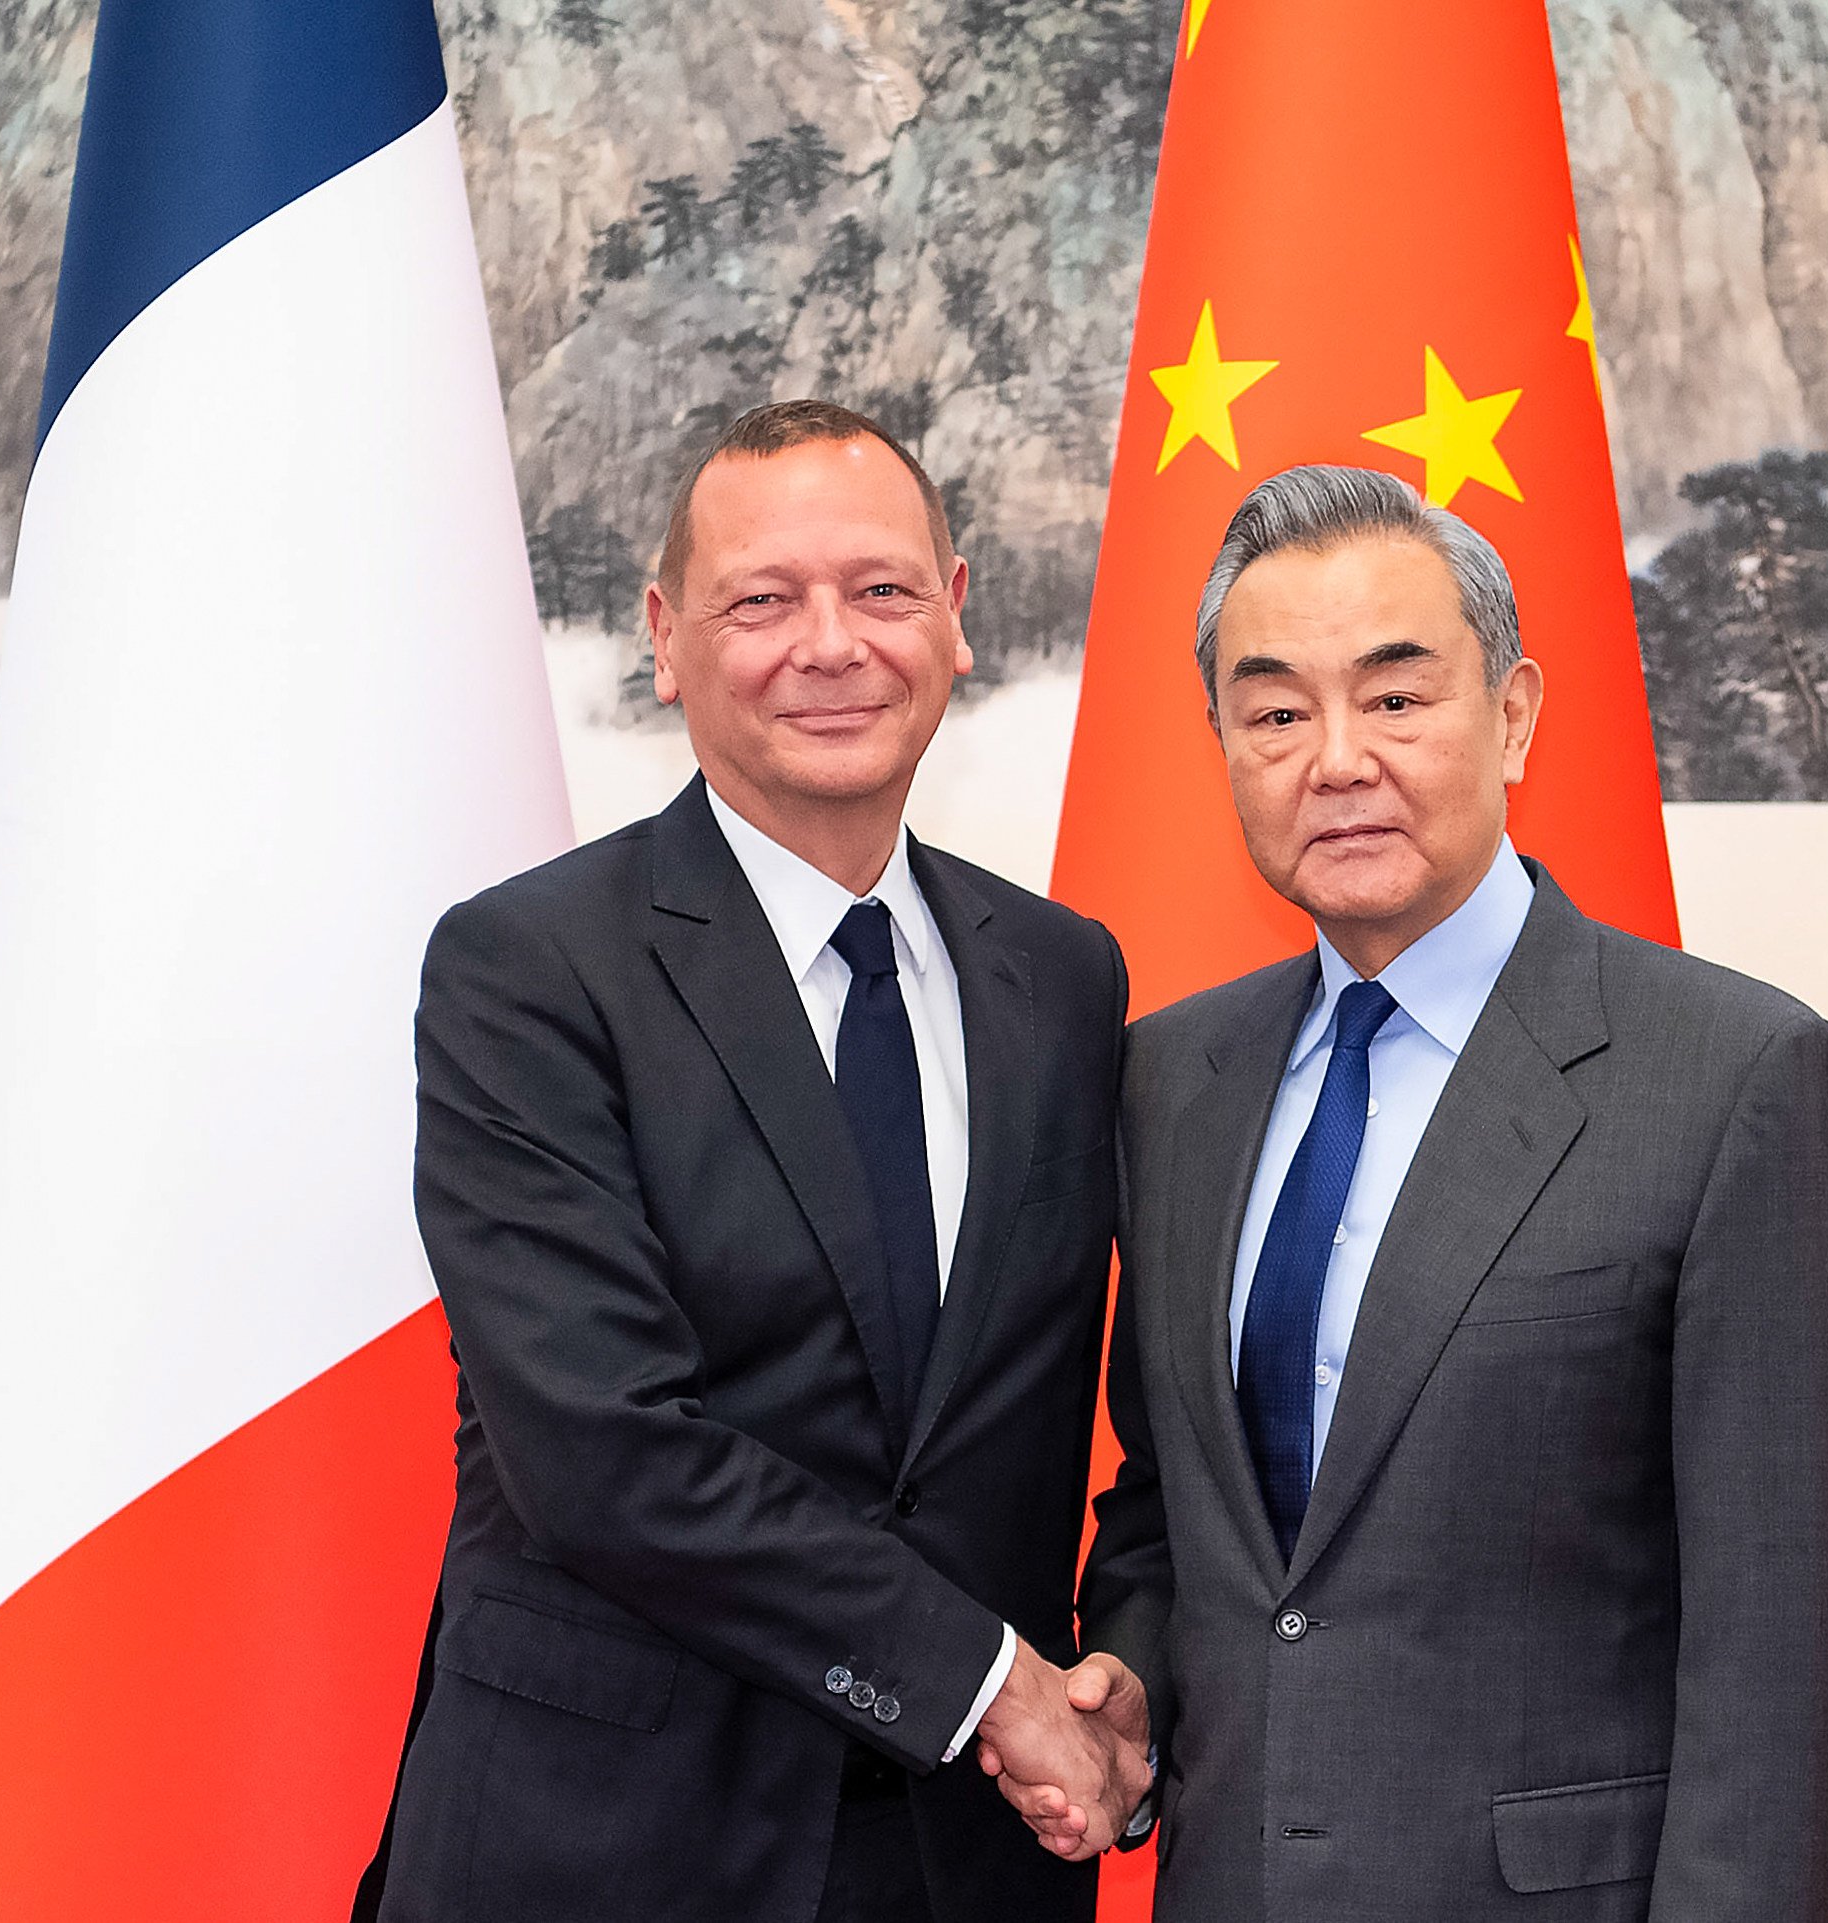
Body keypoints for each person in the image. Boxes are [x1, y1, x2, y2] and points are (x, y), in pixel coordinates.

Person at [1043, 464, 1828, 1920]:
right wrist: (1127, 1667)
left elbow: (1781, 1657)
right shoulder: (1168, 1082)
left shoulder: (1739, 1078)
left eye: (1394, 697)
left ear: (1511, 715)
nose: (1335, 758)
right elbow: (1180, 1512)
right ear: (1224, 747)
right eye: (1273, 712)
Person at [373, 400, 1146, 1923]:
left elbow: (1112, 1404)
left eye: (878, 589)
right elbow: (600, 1450)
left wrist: (1122, 1680)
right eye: (760, 600)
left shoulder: (1064, 979)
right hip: (607, 1846)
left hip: (964, 1865)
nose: (831, 643)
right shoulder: (526, 970)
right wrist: (990, 1685)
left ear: (955, 616)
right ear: (666, 641)